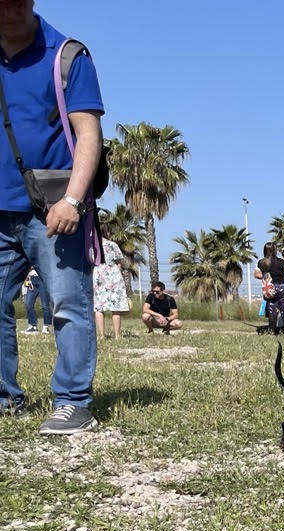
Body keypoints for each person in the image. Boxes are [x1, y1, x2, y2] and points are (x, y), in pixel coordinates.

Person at [0, 4, 104, 434]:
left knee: (67, 306)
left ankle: (73, 402)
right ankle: (6, 400)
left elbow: (88, 134)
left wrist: (74, 201)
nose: (11, 9)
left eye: (17, 0)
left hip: (53, 209)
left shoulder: (66, 56)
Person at [92, 232, 129, 339]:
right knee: (115, 307)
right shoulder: (112, 244)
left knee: (99, 307)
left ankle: (101, 335)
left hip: (98, 273)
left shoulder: (92, 245)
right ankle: (117, 335)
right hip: (113, 273)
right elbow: (119, 262)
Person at [255, 242, 284, 334]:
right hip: (283, 286)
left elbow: (257, 274)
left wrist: (266, 275)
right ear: (275, 251)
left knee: (272, 310)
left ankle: (272, 331)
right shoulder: (281, 262)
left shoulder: (261, 262)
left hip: (270, 288)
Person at [21, 268, 49, 333]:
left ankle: (46, 327)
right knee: (28, 304)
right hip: (31, 279)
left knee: (45, 304)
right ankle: (33, 326)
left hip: (42, 278)